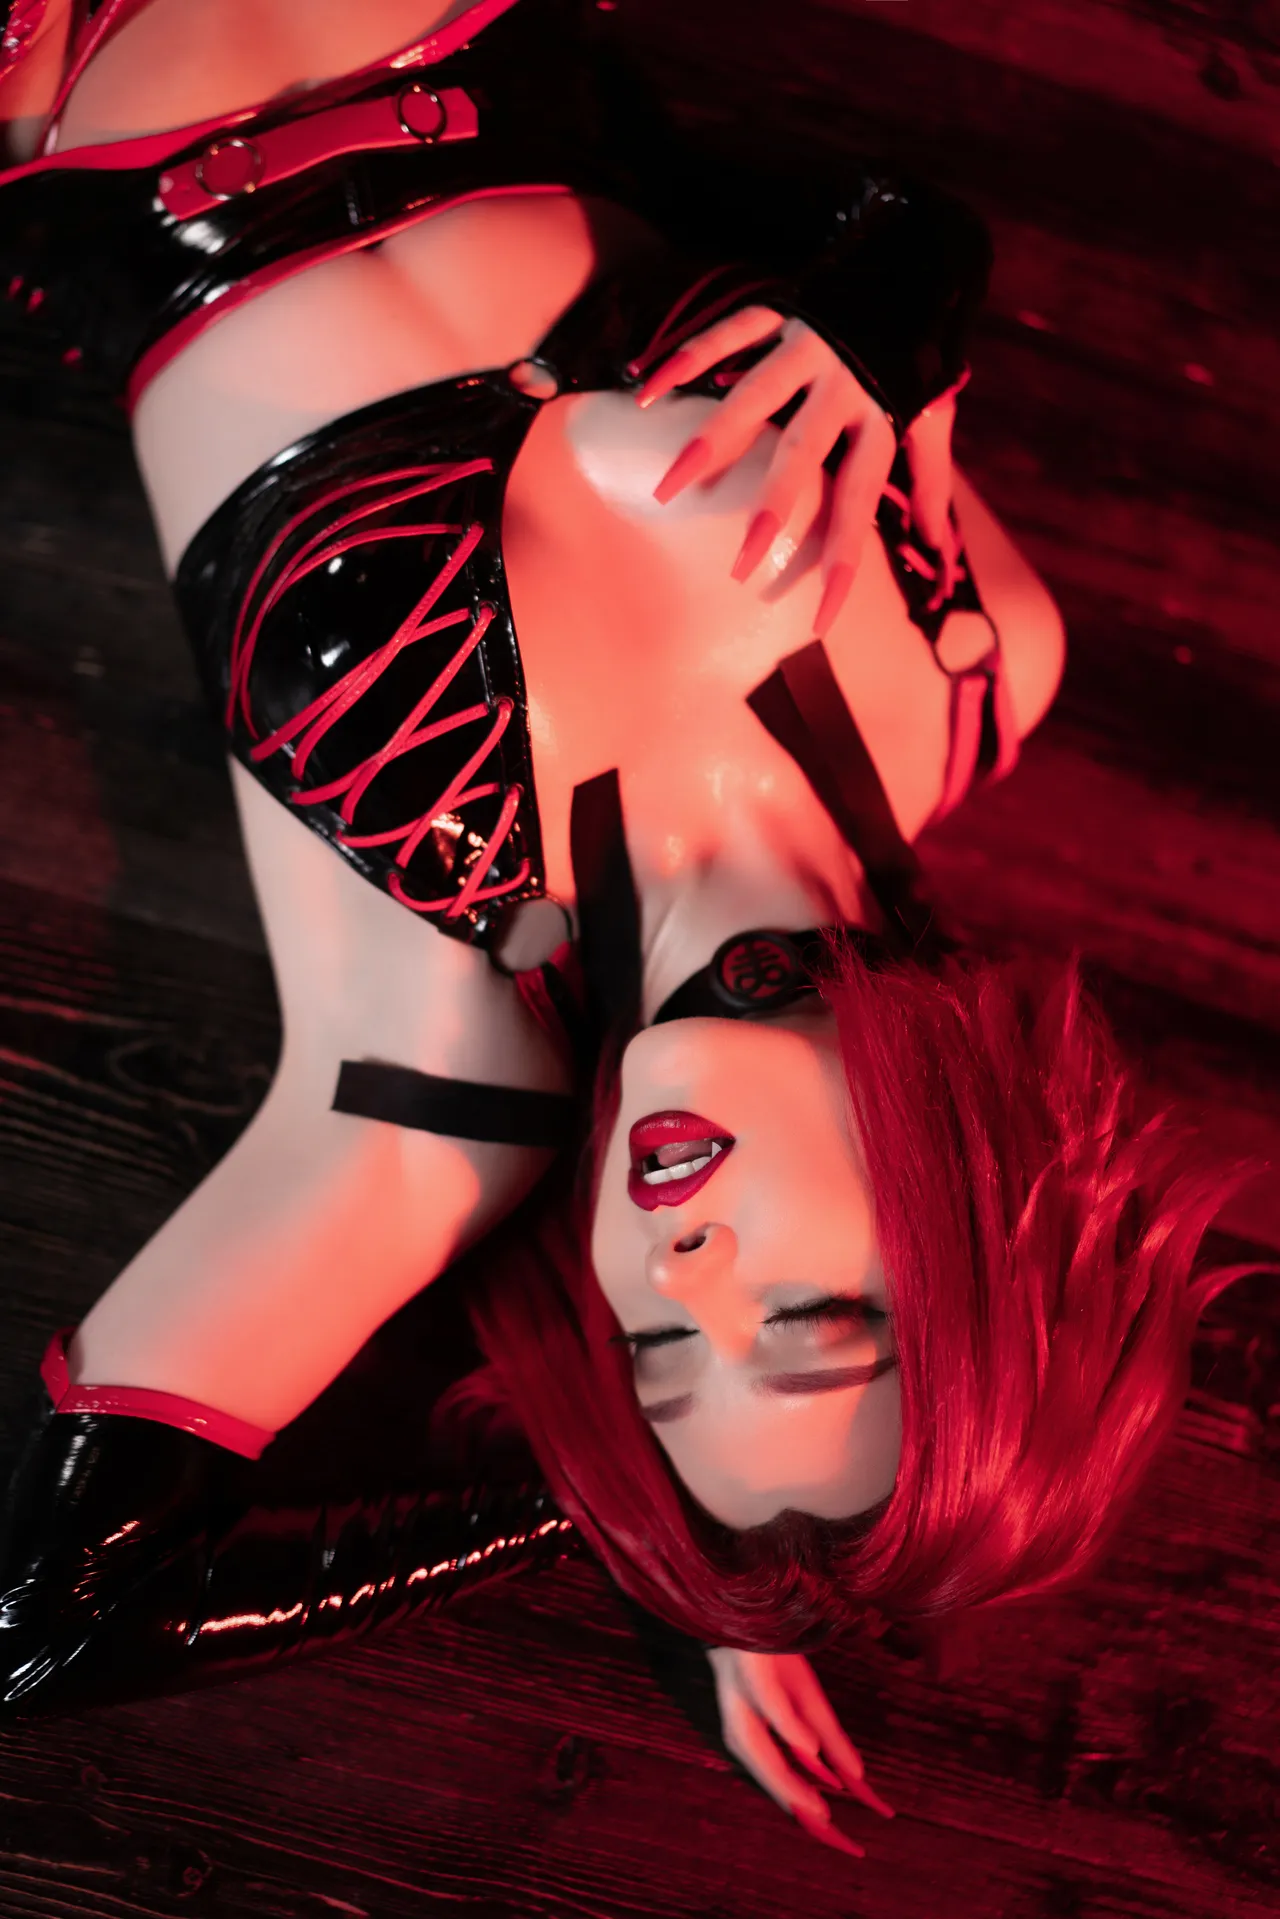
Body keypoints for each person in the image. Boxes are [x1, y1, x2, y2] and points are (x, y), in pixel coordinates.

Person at [0, 0, 1252, 1856]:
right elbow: (807, 204)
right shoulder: (984, 660)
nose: (683, 1263)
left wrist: (616, 1526)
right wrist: (896, 304)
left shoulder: (425, 1083)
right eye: (811, 1316)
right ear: (976, 1215)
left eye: (662, 1353)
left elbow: (50, 1622)